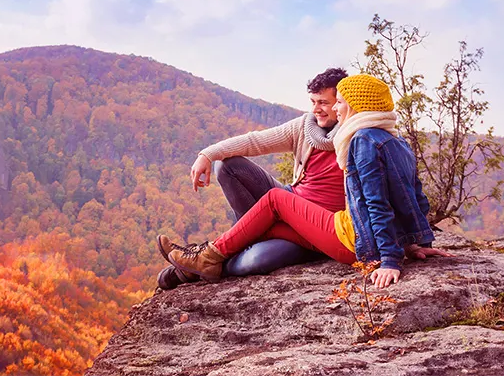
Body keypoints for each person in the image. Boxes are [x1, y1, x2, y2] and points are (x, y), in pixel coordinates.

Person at [159, 74, 452, 289]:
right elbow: (413, 197)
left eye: (335, 103)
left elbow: (378, 203)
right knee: (257, 219)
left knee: (266, 223)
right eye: (316, 102)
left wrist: (390, 260)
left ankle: (202, 262)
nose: (330, 109)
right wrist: (416, 242)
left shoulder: (361, 140)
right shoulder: (395, 141)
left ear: (353, 105)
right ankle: (198, 264)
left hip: (345, 236)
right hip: (324, 224)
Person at [157, 67, 349, 290]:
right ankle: (235, 241)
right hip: (288, 201)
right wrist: (207, 154)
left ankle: (192, 269)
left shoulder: (354, 135)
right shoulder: (306, 127)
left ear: (341, 102)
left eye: (323, 103)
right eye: (313, 102)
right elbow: (255, 142)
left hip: (318, 227)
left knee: (255, 260)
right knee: (228, 166)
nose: (316, 109)